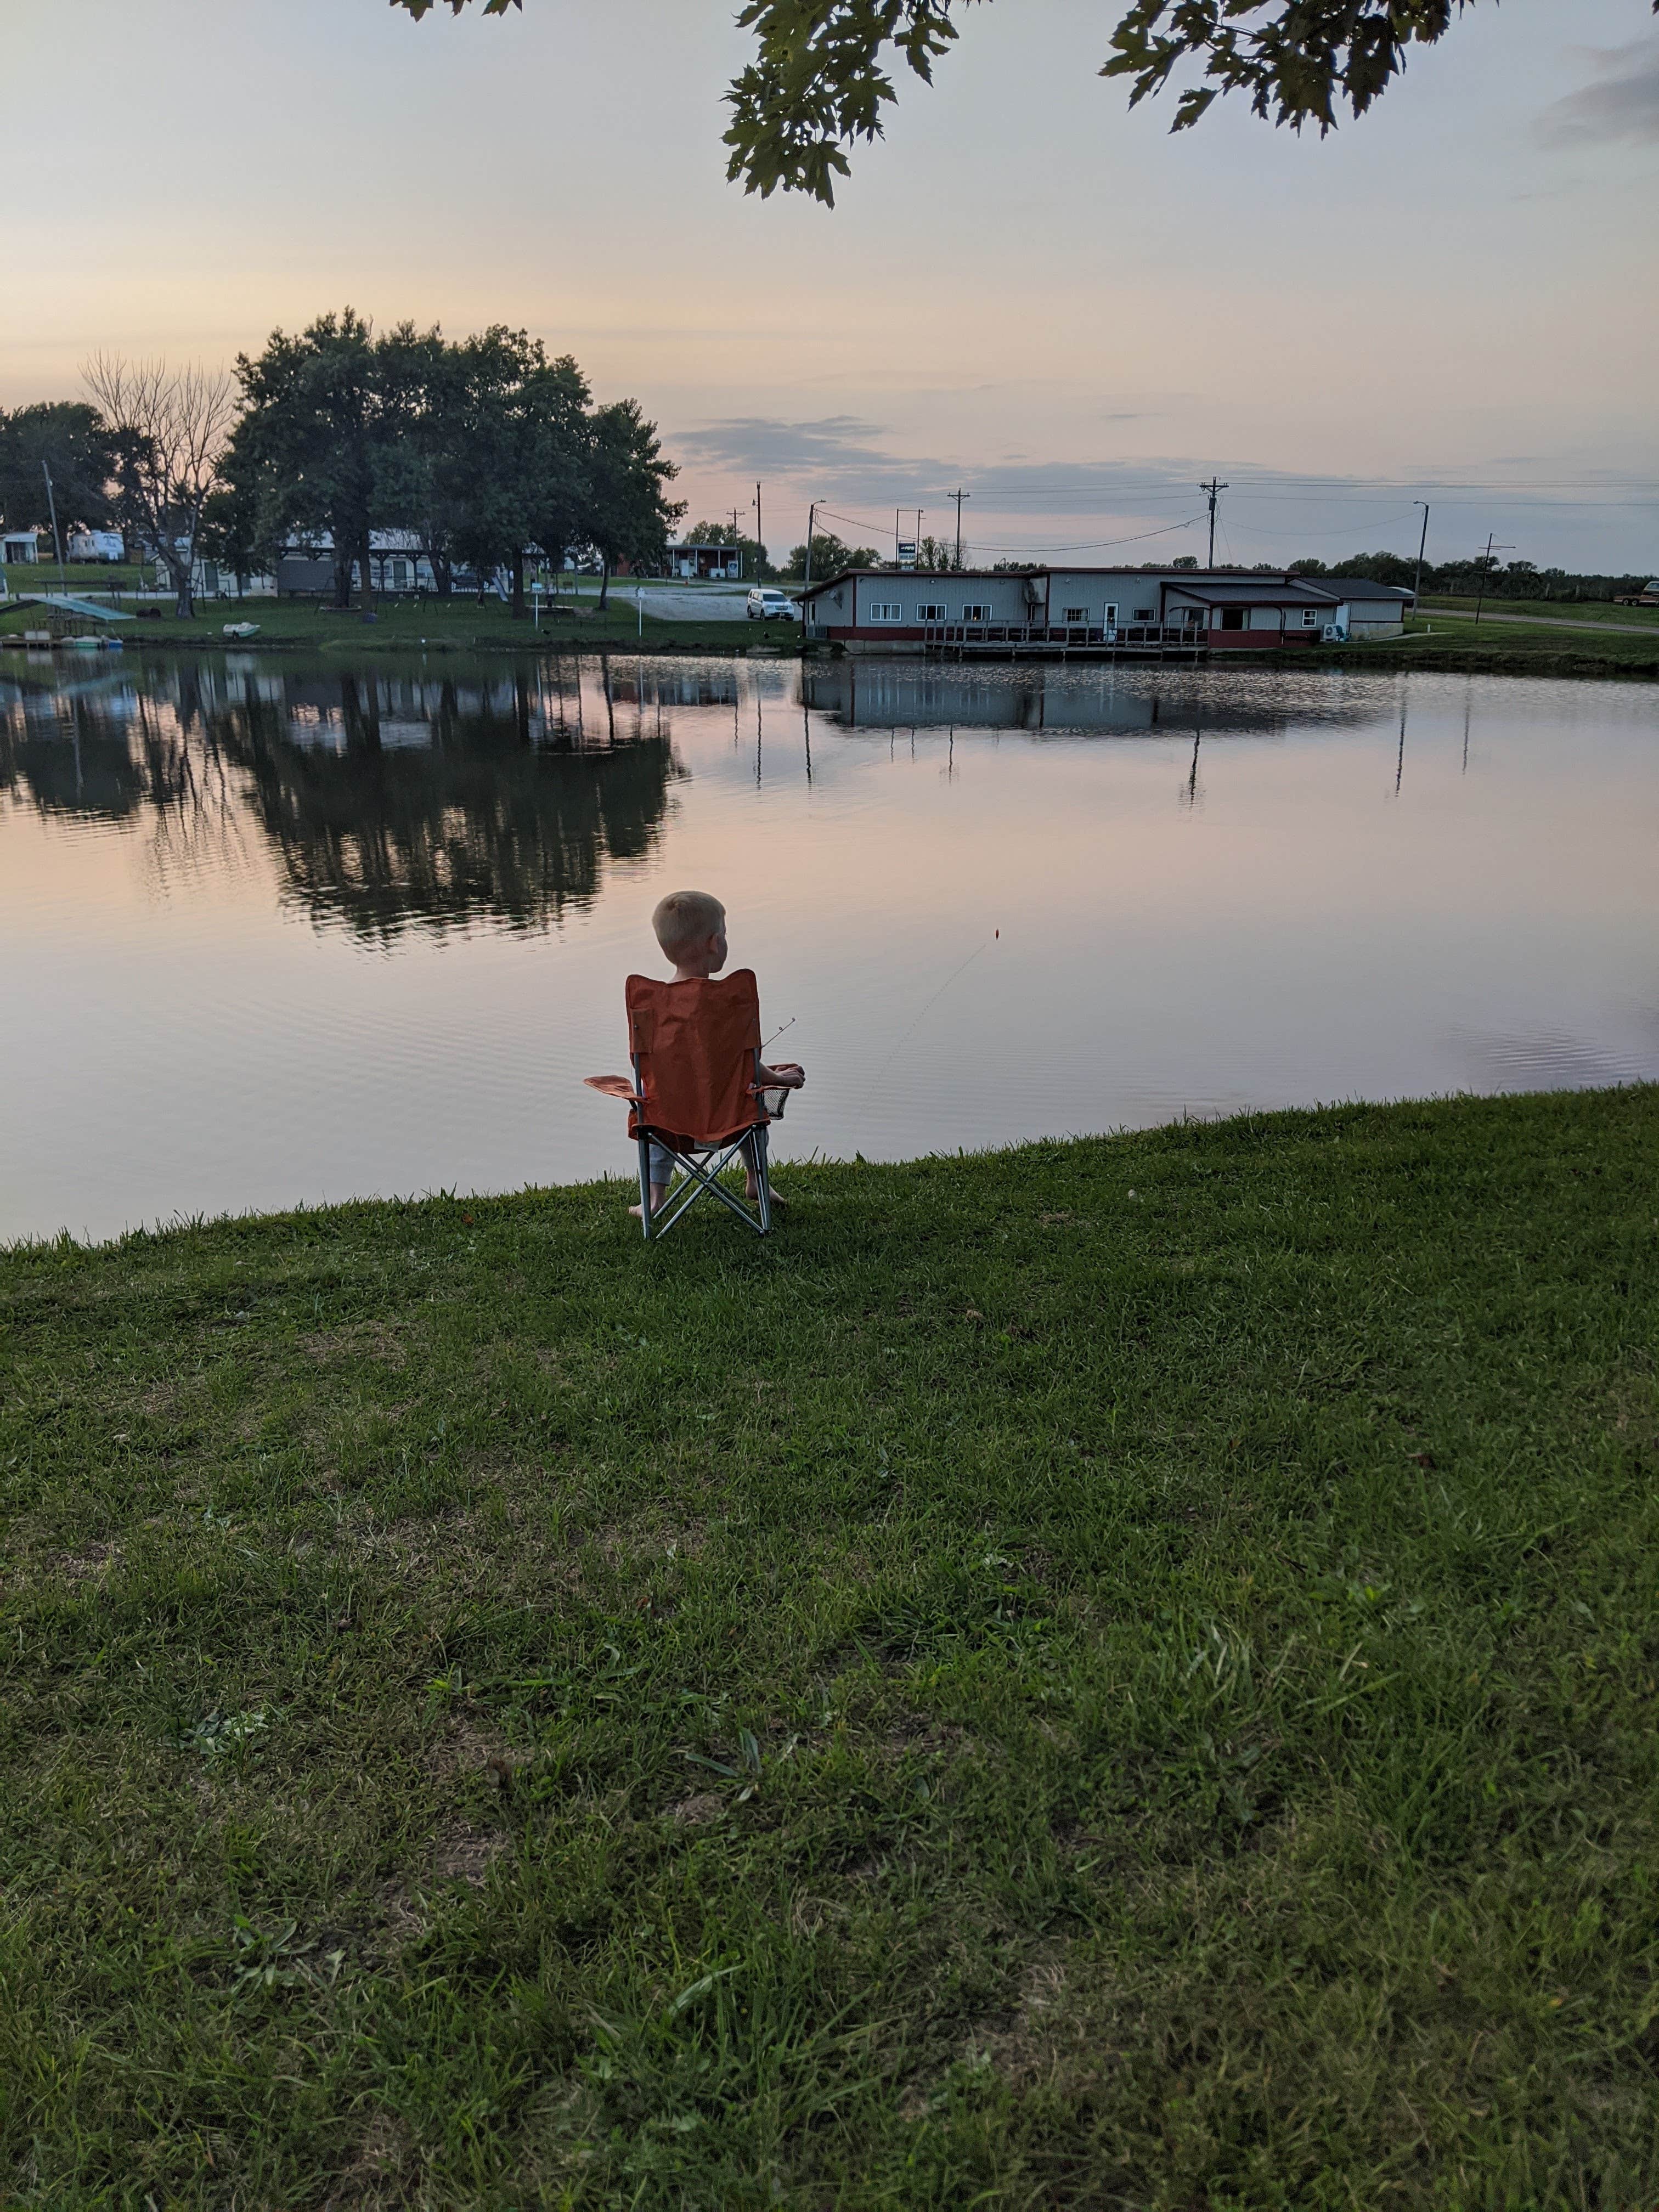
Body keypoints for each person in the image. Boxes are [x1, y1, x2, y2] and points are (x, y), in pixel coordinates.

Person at [629, 889, 804, 1221]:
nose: (726, 940)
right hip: (731, 1121)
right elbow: (747, 1067)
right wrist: (781, 1078)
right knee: (752, 1102)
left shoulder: (653, 1009)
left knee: (650, 1105)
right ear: (714, 943)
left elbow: (645, 1069)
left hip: (670, 1126)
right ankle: (757, 1181)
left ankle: (655, 1197)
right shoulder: (729, 1004)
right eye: (725, 932)